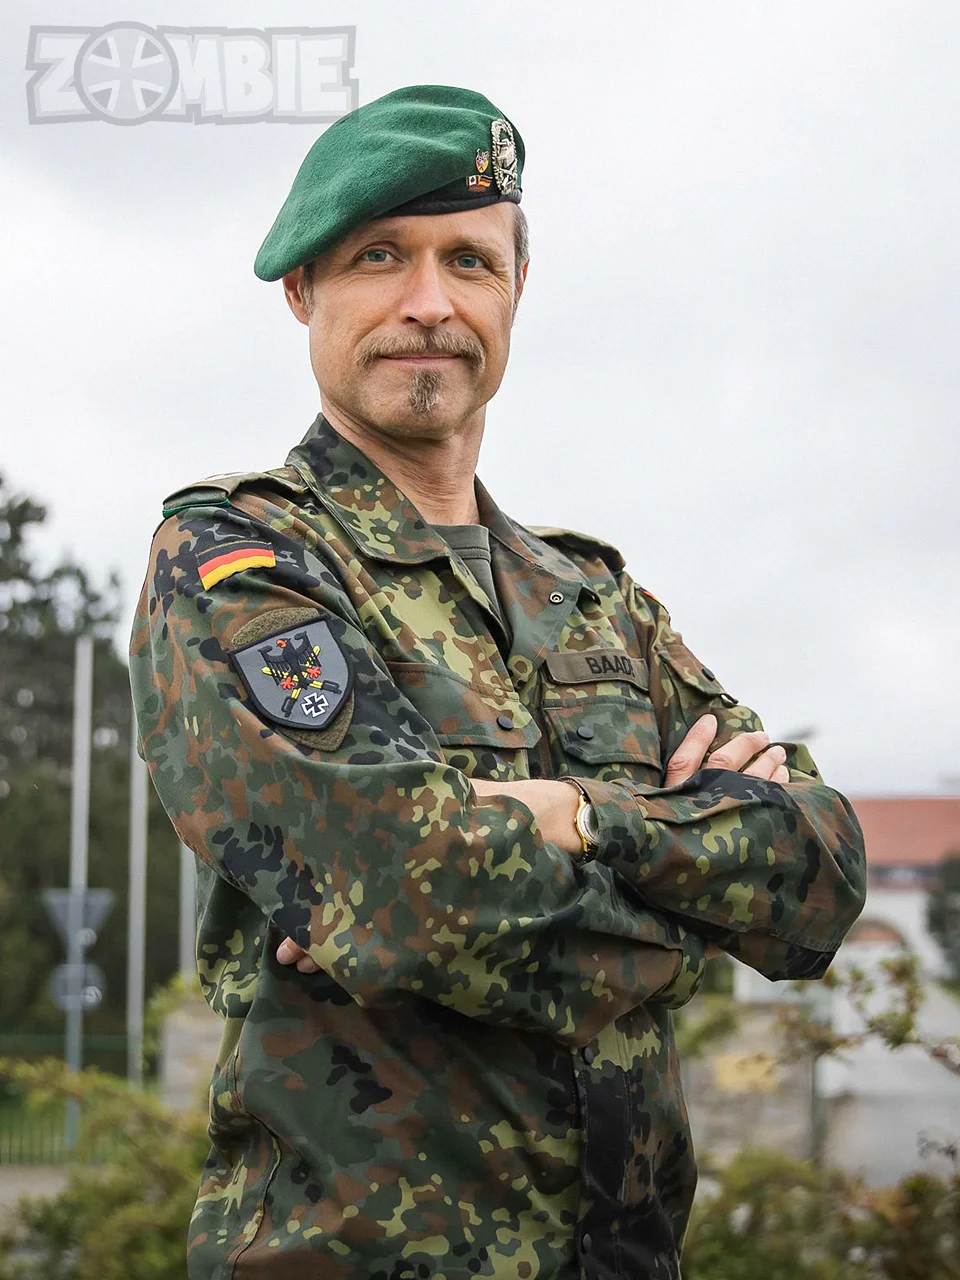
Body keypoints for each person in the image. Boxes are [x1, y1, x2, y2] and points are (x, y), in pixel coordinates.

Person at [130, 84, 866, 1280]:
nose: (430, 302)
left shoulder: (594, 596)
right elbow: (411, 896)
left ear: (515, 290)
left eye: (469, 260)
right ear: (302, 291)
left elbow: (822, 870)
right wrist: (688, 925)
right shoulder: (240, 564)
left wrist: (582, 817)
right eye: (381, 256)